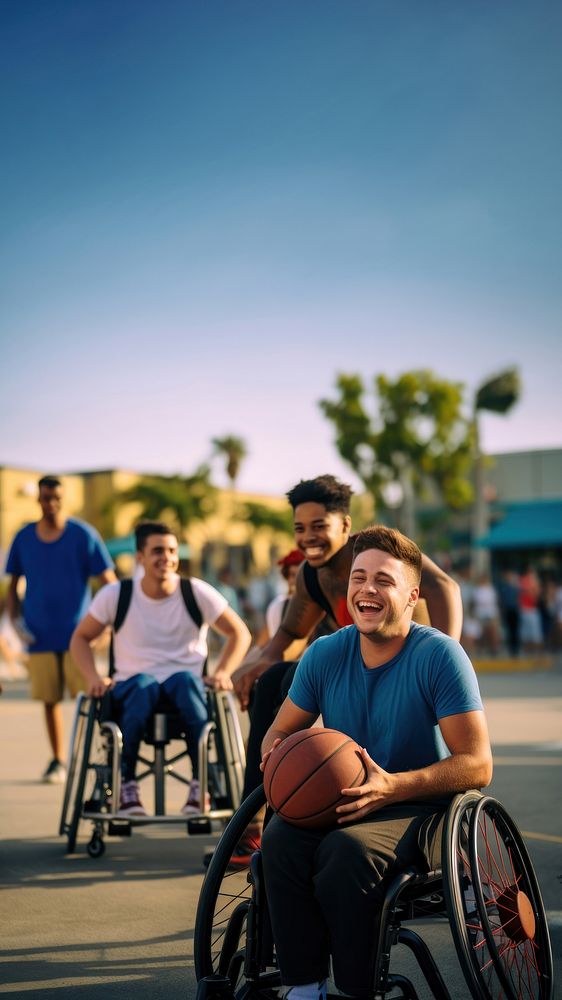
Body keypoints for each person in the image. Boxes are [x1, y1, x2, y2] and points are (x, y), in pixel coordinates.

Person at [259, 525, 493, 1000]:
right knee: (280, 839)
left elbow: (477, 765)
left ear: (412, 596)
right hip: (342, 800)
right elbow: (279, 731)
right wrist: (277, 757)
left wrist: (393, 786)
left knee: (346, 852)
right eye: (358, 578)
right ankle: (303, 987)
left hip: (421, 809)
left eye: (383, 580)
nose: (367, 589)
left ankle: (356, 989)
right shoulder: (324, 653)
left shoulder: (440, 656)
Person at [233, 475, 462, 812]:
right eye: (299, 528)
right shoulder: (313, 574)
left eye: (318, 525)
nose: (308, 537)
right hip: (359, 670)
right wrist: (257, 663)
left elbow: (445, 587)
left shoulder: (376, 553)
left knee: (282, 679)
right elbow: (288, 633)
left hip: (406, 667)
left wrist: (446, 654)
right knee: (270, 680)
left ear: (345, 525)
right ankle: (257, 813)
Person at [70, 521, 252, 816]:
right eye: (157, 551)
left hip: (185, 689)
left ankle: (200, 784)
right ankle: (126, 785)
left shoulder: (194, 591)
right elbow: (80, 638)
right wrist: (92, 677)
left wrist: (223, 672)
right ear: (139, 557)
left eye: (171, 550)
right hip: (133, 687)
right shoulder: (118, 594)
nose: (166, 557)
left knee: (184, 681)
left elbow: (239, 633)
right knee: (144, 685)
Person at [5, 475, 116, 783]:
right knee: (49, 700)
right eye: (45, 498)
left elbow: (111, 586)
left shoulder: (83, 535)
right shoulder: (24, 537)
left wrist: (106, 629)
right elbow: (12, 585)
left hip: (79, 637)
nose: (50, 504)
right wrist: (14, 624)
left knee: (93, 699)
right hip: (37, 635)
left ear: (63, 499)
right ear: (38, 499)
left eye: (56, 498)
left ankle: (100, 760)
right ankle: (58, 760)